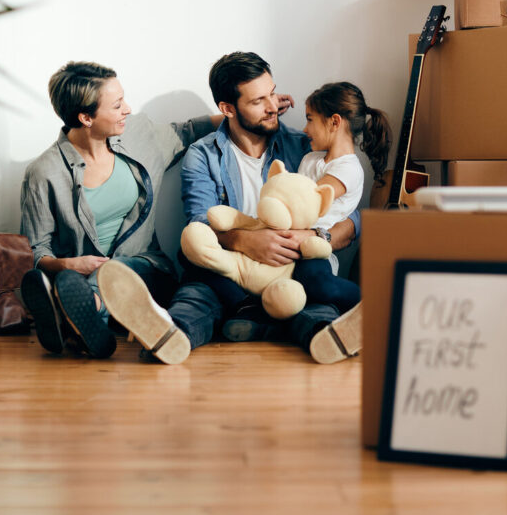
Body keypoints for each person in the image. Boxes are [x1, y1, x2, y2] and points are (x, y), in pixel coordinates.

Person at [100, 52, 364, 365]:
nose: (272, 106)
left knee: (311, 301)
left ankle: (325, 336)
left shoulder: (303, 147)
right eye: (258, 101)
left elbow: (350, 215)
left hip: (291, 267)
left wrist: (310, 235)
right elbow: (200, 220)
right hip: (230, 271)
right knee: (195, 291)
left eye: (272, 93)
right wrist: (244, 241)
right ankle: (171, 333)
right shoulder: (203, 154)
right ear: (228, 108)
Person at [19, 61, 219, 359]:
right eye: (116, 105)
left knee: (111, 273)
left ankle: (74, 315)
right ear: (86, 117)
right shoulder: (44, 172)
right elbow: (35, 248)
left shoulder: (139, 135)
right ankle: (85, 318)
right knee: (85, 280)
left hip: (146, 271)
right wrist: (69, 265)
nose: (127, 108)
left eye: (123, 99)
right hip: (79, 276)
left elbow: (190, 130)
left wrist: (252, 108)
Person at [299, 81, 391, 277]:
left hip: (318, 254)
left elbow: (307, 200)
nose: (305, 129)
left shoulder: (348, 169)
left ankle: (357, 300)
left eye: (310, 119)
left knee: (312, 277)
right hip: (296, 241)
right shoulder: (309, 159)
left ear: (334, 122)